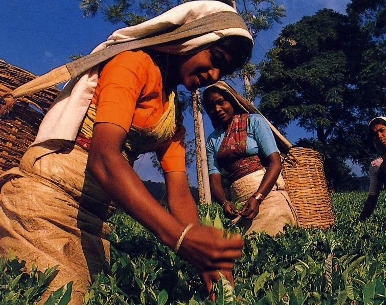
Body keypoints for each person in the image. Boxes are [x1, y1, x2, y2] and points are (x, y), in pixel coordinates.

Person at [0, 2, 253, 304]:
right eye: (216, 58)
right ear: (194, 38)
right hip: (44, 204)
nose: (213, 74)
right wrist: (180, 239)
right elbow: (104, 159)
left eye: (222, 71)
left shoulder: (172, 116)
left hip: (92, 220)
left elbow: (180, 193)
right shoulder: (133, 64)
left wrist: (207, 260)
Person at [201, 81, 298, 236]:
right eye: (211, 107)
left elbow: (275, 162)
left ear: (231, 100)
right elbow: (215, 179)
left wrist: (257, 198)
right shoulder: (213, 140)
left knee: (273, 232)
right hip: (241, 206)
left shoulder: (254, 122)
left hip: (269, 196)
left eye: (221, 102)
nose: (217, 109)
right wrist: (225, 203)